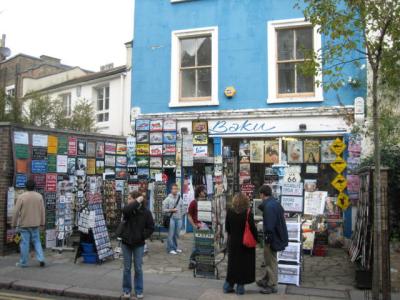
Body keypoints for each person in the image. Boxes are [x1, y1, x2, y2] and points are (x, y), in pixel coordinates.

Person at [121, 191, 155, 299]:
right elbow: (125, 210)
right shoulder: (128, 211)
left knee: (138, 268)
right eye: (129, 198)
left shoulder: (146, 212)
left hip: (138, 244)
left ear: (136, 200)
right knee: (127, 268)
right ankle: (126, 290)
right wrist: (137, 201)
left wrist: (142, 236)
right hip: (126, 242)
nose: (128, 200)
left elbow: (151, 227)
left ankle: (139, 290)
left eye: (130, 198)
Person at [257, 185, 288, 294]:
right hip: (277, 236)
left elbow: (269, 226)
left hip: (272, 238)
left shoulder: (269, 207)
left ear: (262, 194)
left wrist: (268, 239)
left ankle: (272, 285)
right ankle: (266, 279)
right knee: (270, 259)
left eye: (260, 195)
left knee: (270, 261)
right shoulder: (275, 203)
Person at [224, 193, 258, 295]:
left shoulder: (229, 212)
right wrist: (256, 239)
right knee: (243, 265)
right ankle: (240, 288)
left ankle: (228, 286)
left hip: (233, 242)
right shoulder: (248, 213)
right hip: (245, 243)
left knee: (233, 264)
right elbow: (253, 229)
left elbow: (227, 228)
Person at [12, 179, 46, 268]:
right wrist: (42, 222)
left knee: (24, 243)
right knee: (37, 241)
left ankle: (23, 262)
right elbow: (42, 211)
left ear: (26, 187)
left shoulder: (22, 196)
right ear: (34, 187)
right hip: (35, 223)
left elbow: (16, 211)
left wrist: (14, 223)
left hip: (24, 223)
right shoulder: (39, 196)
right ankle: (41, 258)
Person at [188, 185, 207, 269]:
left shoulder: (206, 202)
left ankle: (200, 261)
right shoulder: (193, 202)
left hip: (205, 226)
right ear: (199, 193)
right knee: (196, 244)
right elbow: (189, 215)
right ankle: (192, 261)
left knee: (203, 244)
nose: (205, 192)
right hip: (197, 226)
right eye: (203, 191)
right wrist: (194, 225)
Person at [162, 183, 185, 255]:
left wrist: (181, 215)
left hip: (179, 219)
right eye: (173, 189)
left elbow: (182, 208)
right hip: (171, 218)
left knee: (176, 234)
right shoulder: (167, 199)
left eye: (176, 189)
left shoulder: (180, 198)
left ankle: (175, 247)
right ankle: (170, 248)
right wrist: (171, 210)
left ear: (178, 190)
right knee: (171, 234)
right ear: (171, 190)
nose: (175, 190)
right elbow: (163, 209)